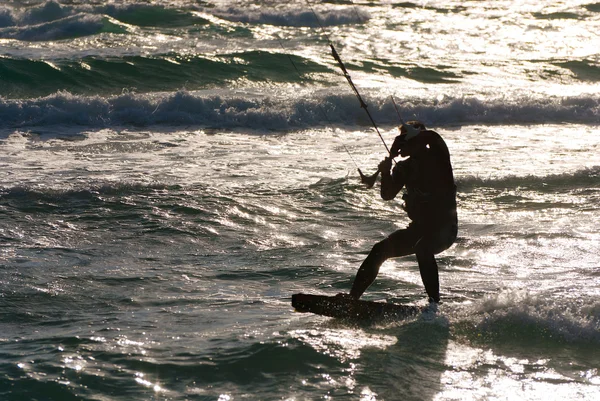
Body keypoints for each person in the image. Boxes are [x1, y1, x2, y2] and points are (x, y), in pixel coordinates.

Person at [343, 121, 457, 303]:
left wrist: (411, 137)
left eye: (407, 139)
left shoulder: (438, 156)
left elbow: (433, 137)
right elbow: (387, 194)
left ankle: (434, 304)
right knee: (379, 250)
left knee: (423, 248)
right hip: (419, 229)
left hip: (444, 228)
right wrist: (386, 172)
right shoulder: (405, 168)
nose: (402, 145)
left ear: (418, 138)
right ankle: (352, 299)